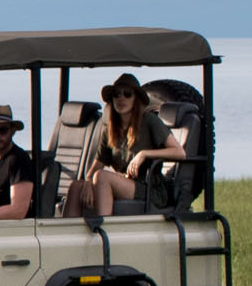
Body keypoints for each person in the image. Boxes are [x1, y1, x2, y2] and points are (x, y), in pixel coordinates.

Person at [71, 72, 186, 215]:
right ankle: (66, 235)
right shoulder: (111, 129)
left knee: (102, 176)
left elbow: (180, 153)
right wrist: (88, 182)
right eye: (116, 94)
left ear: (135, 99)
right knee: (77, 186)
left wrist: (144, 154)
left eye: (127, 94)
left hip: (149, 187)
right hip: (124, 182)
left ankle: (103, 231)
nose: (121, 98)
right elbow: (97, 165)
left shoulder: (149, 121)